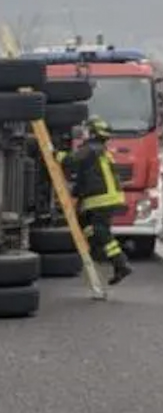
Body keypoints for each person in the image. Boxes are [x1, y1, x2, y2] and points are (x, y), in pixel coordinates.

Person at [55, 115, 133, 285]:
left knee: (101, 231)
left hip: (101, 200)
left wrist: (54, 153)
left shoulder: (91, 148)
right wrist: (75, 193)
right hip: (101, 199)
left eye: (87, 130)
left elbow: (71, 160)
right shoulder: (99, 150)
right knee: (85, 223)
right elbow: (86, 177)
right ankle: (99, 252)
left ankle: (121, 263)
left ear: (92, 133)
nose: (84, 133)